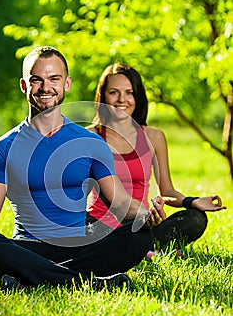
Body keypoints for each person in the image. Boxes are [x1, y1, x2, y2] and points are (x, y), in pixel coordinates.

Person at [0, 47, 168, 292]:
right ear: (24, 85)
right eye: (37, 80)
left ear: (67, 84)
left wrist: (146, 215)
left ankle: (27, 278)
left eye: (54, 79)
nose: (46, 88)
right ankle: (88, 283)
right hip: (29, 246)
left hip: (80, 245)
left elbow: (119, 202)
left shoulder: (91, 143)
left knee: (138, 236)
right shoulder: (3, 147)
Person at [86, 63, 226, 258]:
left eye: (129, 93)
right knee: (80, 227)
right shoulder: (89, 137)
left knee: (195, 219)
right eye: (114, 92)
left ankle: (142, 248)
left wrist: (193, 202)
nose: (122, 100)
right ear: (103, 97)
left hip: (141, 225)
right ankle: (148, 250)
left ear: (138, 97)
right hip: (98, 225)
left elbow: (167, 191)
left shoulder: (154, 137)